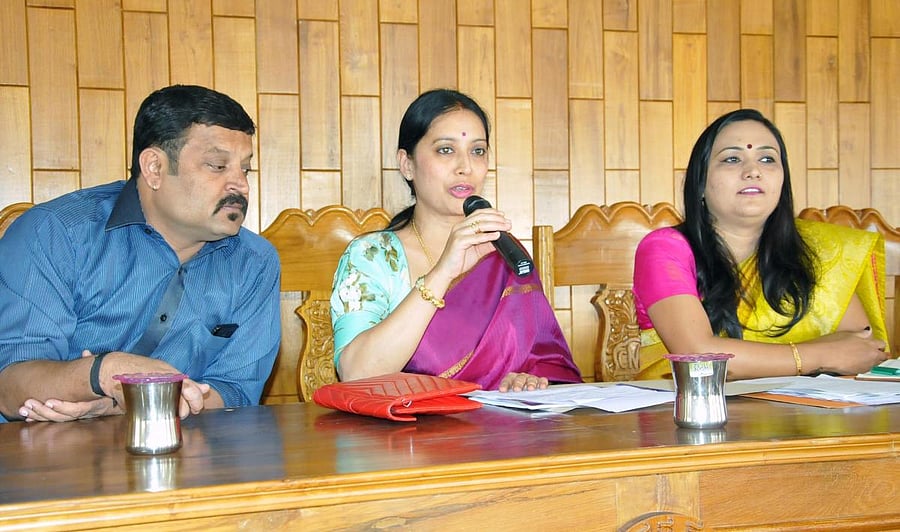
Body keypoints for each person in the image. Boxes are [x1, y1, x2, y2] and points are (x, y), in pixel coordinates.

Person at [0, 85, 281, 423]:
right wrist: (106, 371)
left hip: (185, 448)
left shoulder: (255, 262)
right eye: (217, 166)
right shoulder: (56, 234)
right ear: (154, 168)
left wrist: (125, 402)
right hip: (41, 448)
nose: (241, 185)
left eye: (245, 169)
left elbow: (236, 393)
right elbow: (10, 385)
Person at [330, 89, 582, 391]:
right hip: (406, 421)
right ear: (407, 164)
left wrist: (525, 379)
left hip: (497, 420)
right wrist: (442, 273)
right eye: (446, 150)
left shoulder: (502, 252)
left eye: (478, 151)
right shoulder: (373, 256)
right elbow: (356, 374)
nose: (466, 167)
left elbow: (545, 362)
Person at [633, 108, 890, 380]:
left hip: (801, 406)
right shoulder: (664, 250)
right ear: (700, 184)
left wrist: (818, 356)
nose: (753, 171)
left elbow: (860, 347)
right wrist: (821, 356)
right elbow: (699, 358)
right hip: (690, 406)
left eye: (767, 159)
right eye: (732, 159)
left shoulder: (820, 251)